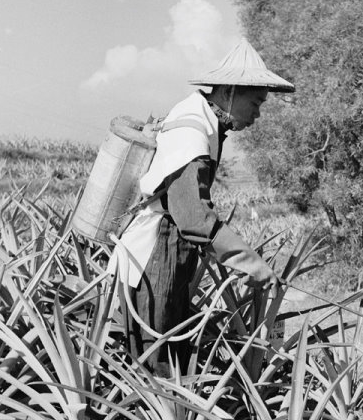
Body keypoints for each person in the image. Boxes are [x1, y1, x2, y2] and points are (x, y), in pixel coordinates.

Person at [114, 38, 294, 376]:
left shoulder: (200, 118)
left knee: (170, 345)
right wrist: (252, 264)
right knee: (159, 359)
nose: (257, 114)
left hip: (170, 248)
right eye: (255, 103)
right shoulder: (193, 131)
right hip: (158, 252)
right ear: (228, 92)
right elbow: (194, 218)